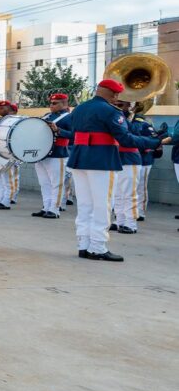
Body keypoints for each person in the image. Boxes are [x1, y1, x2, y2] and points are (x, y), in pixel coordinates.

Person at [67, 79, 167, 261]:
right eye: (116, 94)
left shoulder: (79, 109)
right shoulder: (111, 111)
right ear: (112, 93)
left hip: (79, 160)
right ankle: (98, 247)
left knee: (85, 206)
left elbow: (74, 133)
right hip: (102, 161)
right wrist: (154, 142)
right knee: (102, 205)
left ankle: (83, 245)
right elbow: (127, 139)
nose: (117, 98)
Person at [32, 93, 73, 218]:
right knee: (44, 183)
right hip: (42, 154)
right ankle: (46, 207)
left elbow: (74, 135)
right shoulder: (47, 116)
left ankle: (54, 210)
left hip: (58, 153)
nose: (51, 105)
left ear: (64, 103)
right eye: (50, 103)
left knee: (57, 183)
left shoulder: (70, 117)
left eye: (55, 103)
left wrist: (58, 130)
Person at [109, 99, 141, 235]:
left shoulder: (137, 121)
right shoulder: (112, 118)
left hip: (130, 159)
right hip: (116, 158)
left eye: (121, 105)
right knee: (117, 193)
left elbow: (134, 135)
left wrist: (126, 118)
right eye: (115, 105)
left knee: (129, 193)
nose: (117, 108)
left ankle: (131, 223)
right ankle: (120, 221)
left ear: (129, 106)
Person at [131, 107, 154, 221]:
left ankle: (140, 212)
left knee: (141, 187)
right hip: (130, 159)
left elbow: (151, 139)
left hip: (144, 159)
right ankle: (131, 210)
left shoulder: (143, 124)